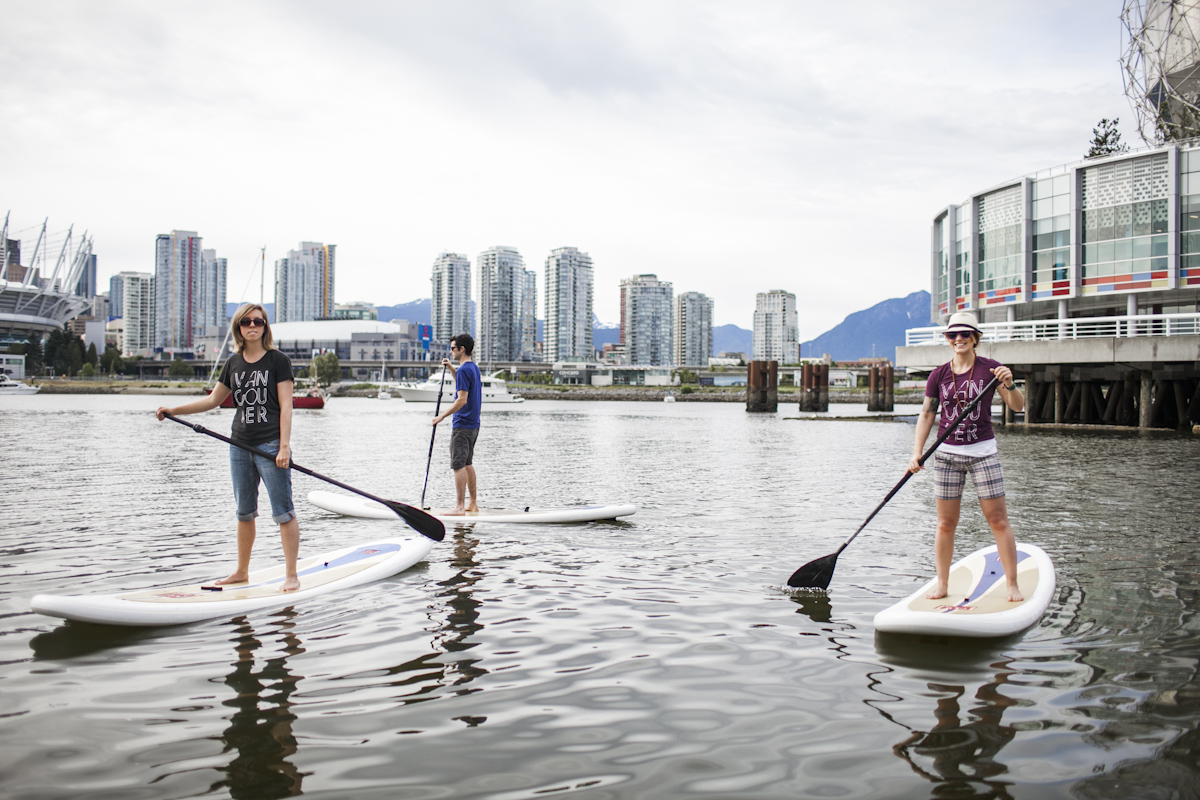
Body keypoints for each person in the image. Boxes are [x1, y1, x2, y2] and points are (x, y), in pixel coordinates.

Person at [155, 303, 301, 592]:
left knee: (283, 512)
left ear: (265, 326)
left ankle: (291, 575)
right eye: (246, 322)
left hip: (271, 446)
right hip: (239, 446)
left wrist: (284, 447)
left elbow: (287, 406)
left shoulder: (278, 360)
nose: (252, 326)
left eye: (258, 321)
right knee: (244, 513)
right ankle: (241, 572)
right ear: (238, 328)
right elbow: (213, 400)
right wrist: (174, 410)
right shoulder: (233, 363)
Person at [910, 311, 1025, 603]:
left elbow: (1018, 406)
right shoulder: (938, 375)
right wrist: (917, 452)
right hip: (946, 456)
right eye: (952, 335)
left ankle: (1012, 585)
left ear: (975, 338)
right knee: (945, 524)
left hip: (983, 453)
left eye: (964, 334)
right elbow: (927, 414)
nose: (958, 339)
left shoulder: (991, 370)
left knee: (998, 520)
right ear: (948, 339)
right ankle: (942, 584)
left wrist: (1010, 384)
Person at [431, 333, 482, 515]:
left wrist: (441, 417)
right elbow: (463, 383)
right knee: (467, 463)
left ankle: (460, 507)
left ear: (462, 349)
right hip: (473, 424)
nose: (451, 351)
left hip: (462, 424)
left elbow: (461, 399)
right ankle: (472, 504)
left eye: (453, 348)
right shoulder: (473, 368)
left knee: (458, 464)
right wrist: (451, 368)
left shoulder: (464, 370)